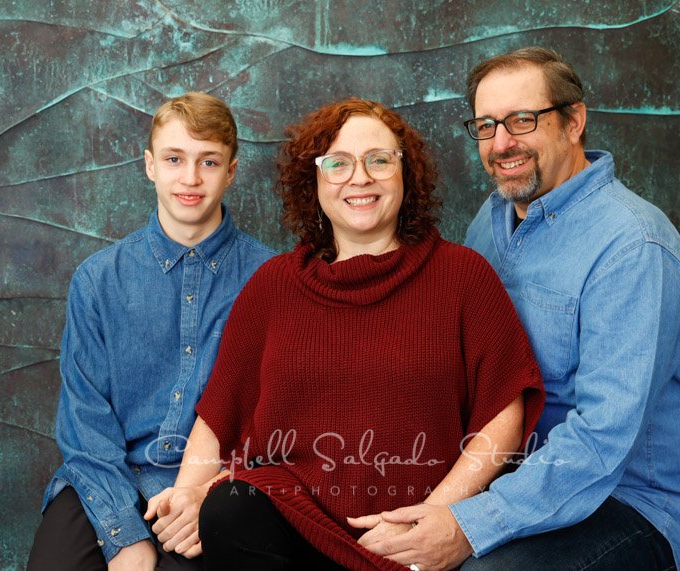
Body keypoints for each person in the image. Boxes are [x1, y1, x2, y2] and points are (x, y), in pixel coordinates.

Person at [357, 47, 680, 570]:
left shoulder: (633, 248)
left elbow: (602, 440)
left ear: (574, 121)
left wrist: (468, 524)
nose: (502, 143)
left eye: (522, 120)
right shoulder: (492, 219)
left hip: (634, 504)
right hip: (506, 478)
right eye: (486, 126)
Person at [147, 97, 545, 570]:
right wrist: (191, 491)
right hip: (293, 525)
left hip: (409, 535)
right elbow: (220, 411)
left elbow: (505, 410)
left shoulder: (463, 276)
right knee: (227, 508)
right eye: (337, 164)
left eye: (379, 160)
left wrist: (439, 514)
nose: (360, 178)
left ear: (405, 174)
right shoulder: (274, 285)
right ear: (313, 181)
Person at [27, 92, 275, 570]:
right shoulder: (98, 280)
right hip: (104, 476)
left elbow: (277, 416)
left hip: (217, 487)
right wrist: (123, 536)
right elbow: (85, 424)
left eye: (209, 161)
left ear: (232, 171)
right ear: (149, 165)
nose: (190, 178)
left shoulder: (272, 278)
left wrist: (208, 490)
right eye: (174, 159)